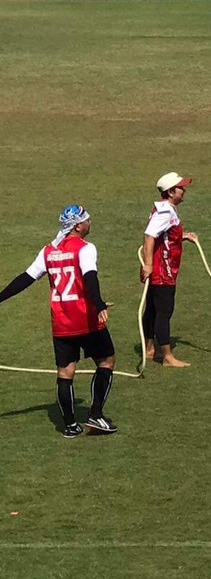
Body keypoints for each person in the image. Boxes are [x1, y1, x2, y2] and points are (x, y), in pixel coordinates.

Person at [0, 205, 118, 437]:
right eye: (87, 220)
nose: (90, 223)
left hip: (61, 322)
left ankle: (70, 426)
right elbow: (90, 277)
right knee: (106, 361)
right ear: (77, 226)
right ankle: (96, 415)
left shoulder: (49, 251)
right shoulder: (85, 248)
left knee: (65, 372)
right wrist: (99, 304)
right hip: (85, 319)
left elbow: (25, 278)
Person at [142, 170, 197, 368]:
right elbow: (150, 236)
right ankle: (167, 356)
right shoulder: (165, 212)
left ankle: (149, 348)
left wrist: (182, 236)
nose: (184, 191)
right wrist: (149, 265)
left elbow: (162, 235)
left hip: (160, 268)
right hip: (162, 270)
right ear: (171, 192)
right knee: (164, 312)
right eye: (181, 188)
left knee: (152, 309)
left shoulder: (165, 209)